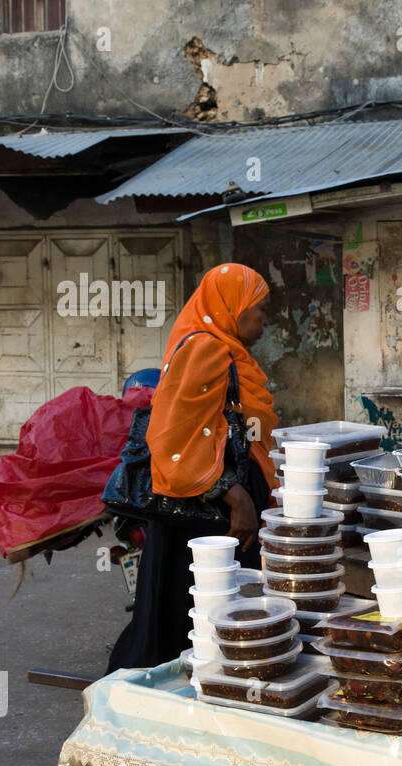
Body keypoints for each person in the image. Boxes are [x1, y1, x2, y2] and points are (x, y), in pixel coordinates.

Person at [108, 264, 279, 672]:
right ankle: (200, 677)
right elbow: (174, 437)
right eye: (259, 309)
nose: (264, 320)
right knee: (203, 602)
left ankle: (217, 674)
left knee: (208, 603)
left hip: (215, 507)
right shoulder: (206, 349)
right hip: (206, 512)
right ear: (231, 308)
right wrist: (237, 498)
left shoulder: (225, 350)